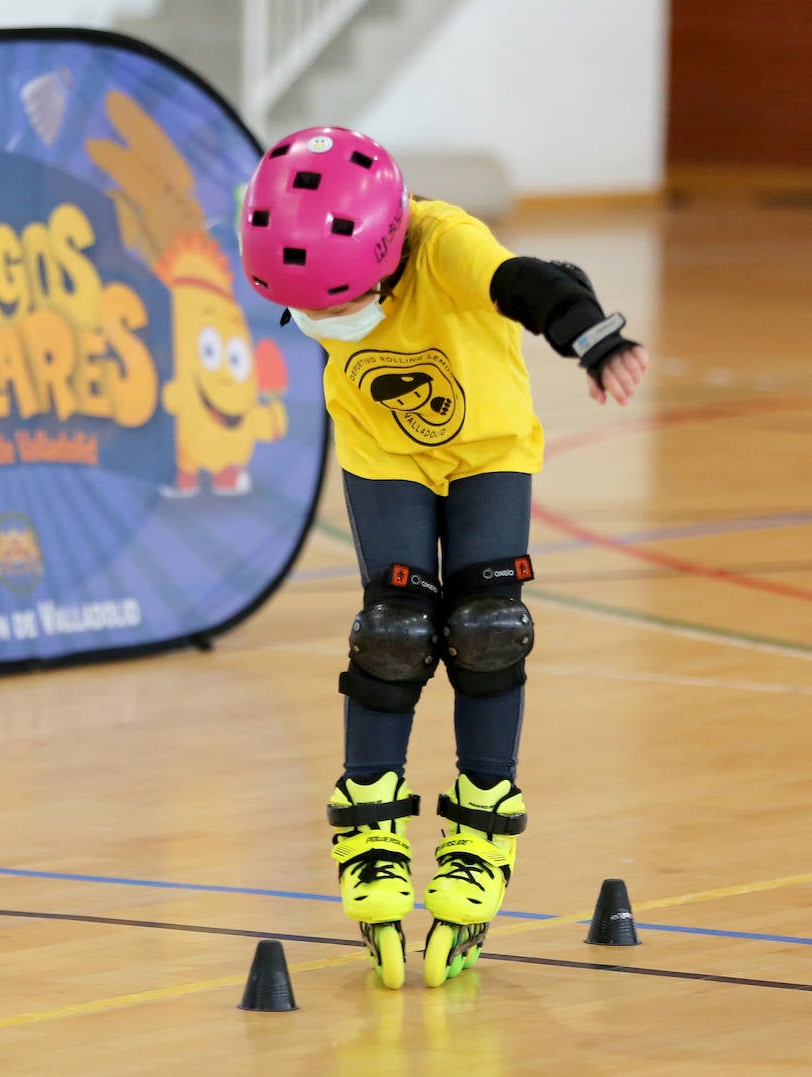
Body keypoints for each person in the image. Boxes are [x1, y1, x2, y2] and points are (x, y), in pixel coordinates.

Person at [238, 127, 648, 989]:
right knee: (391, 632)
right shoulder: (302, 239)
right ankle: (372, 828)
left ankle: (479, 826)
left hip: (488, 446)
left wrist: (592, 337)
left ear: (388, 245)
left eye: (343, 306)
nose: (330, 325)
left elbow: (532, 283)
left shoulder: (444, 241)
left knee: (488, 629)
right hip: (384, 451)